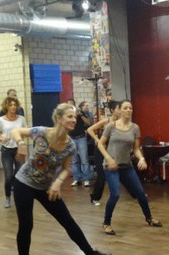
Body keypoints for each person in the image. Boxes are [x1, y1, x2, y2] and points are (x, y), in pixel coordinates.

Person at [10, 102, 111, 255]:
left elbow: (66, 168)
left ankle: (90, 254)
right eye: (69, 117)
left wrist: (58, 182)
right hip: (24, 183)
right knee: (26, 225)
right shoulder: (41, 132)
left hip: (46, 188)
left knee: (68, 221)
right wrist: (20, 143)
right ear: (59, 118)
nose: (73, 120)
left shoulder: (70, 145)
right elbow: (16, 131)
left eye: (74, 117)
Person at [96, 100, 162, 235]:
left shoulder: (135, 128)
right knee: (115, 194)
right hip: (111, 166)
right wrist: (109, 159)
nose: (128, 110)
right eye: (125, 108)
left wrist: (141, 158)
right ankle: (106, 223)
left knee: (141, 194)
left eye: (130, 108)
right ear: (119, 110)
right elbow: (100, 144)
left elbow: (136, 149)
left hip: (126, 166)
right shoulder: (111, 126)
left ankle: (149, 218)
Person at [86, 100, 121, 207]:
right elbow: (90, 129)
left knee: (124, 173)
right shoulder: (106, 121)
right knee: (102, 176)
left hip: (112, 152)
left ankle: (136, 193)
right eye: (118, 108)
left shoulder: (121, 123)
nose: (120, 110)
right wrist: (97, 140)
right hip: (100, 152)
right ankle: (94, 198)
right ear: (112, 110)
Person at [0, 96, 27, 208]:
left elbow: (25, 132)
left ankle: (20, 196)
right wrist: (2, 138)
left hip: (19, 150)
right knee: (8, 176)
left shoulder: (21, 119)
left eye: (14, 105)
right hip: (6, 151)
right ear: (6, 107)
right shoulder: (0, 120)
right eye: (10, 105)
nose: (13, 107)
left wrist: (22, 143)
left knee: (20, 174)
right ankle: (7, 197)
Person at [68, 100, 94, 186]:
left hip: (81, 138)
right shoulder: (67, 115)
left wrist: (80, 115)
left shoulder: (81, 113)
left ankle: (86, 179)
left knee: (84, 160)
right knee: (74, 160)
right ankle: (77, 178)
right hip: (71, 138)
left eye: (71, 105)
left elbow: (89, 123)